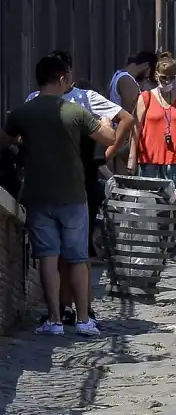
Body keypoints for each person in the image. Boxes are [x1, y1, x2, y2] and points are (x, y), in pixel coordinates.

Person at [1, 54, 115, 335]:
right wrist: (104, 122)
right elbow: (109, 138)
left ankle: (53, 319)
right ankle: (84, 319)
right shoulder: (74, 111)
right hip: (74, 194)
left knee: (48, 258)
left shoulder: (22, 114)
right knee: (77, 257)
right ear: (63, 80)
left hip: (38, 194)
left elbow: (4, 142)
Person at [128, 55, 176, 230]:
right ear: (156, 76)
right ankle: (155, 241)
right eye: (163, 77)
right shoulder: (145, 98)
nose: (167, 81)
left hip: (175, 159)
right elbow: (136, 128)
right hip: (149, 158)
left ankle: (168, 234)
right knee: (149, 203)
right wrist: (132, 156)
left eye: (172, 78)